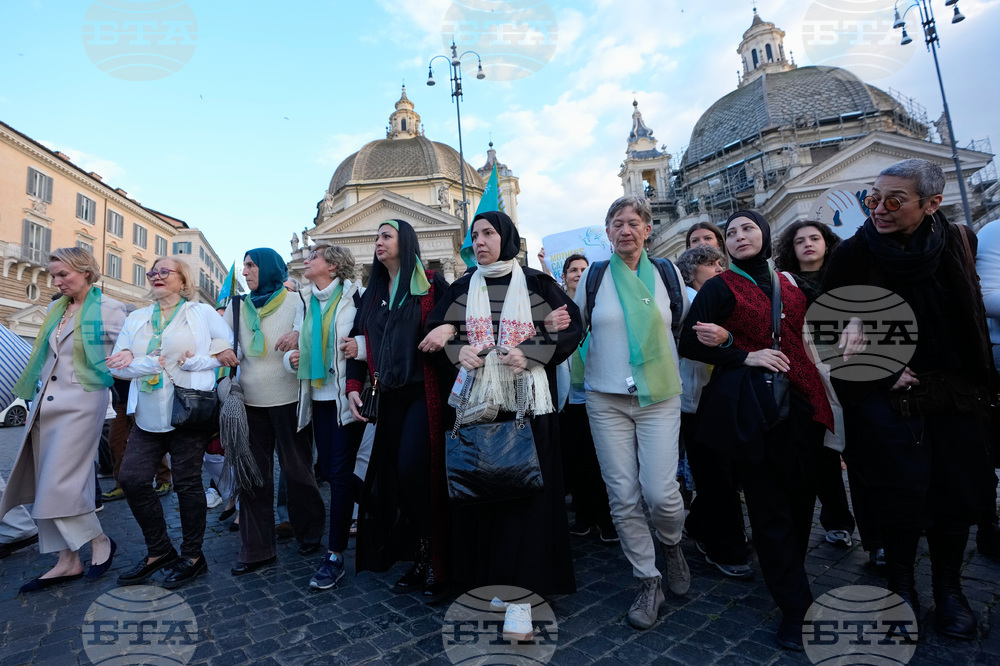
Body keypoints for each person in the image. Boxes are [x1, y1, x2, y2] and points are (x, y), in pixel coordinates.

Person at [822, 159, 998, 639]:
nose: (878, 208)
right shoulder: (853, 254)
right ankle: (900, 589)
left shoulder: (958, 241)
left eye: (893, 201)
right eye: (871, 198)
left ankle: (949, 590)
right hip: (886, 399)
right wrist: (880, 364)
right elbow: (829, 330)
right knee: (899, 498)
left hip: (956, 393)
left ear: (932, 203)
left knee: (954, 498)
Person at [679, 210, 833, 650]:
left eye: (747, 228)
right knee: (769, 509)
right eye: (731, 232)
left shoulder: (790, 282)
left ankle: (790, 572)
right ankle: (795, 606)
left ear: (764, 234)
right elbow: (689, 342)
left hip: (805, 403)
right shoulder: (718, 287)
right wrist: (740, 353)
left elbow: (817, 329)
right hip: (753, 410)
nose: (740, 236)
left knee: (803, 500)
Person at [424, 210, 581, 597]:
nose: (479, 242)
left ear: (506, 238)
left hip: (527, 409)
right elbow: (434, 336)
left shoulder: (536, 283)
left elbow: (571, 326)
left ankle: (525, 593)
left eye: (488, 233)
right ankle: (484, 584)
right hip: (479, 411)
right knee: (482, 502)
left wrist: (531, 353)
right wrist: (457, 347)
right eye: (474, 235)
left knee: (527, 505)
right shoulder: (461, 288)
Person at [573, 196, 691, 630]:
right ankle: (648, 578)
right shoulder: (595, 278)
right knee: (622, 497)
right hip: (605, 399)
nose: (625, 230)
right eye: (617, 223)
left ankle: (673, 542)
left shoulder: (667, 273)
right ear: (608, 233)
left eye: (633, 222)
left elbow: (684, 323)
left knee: (660, 494)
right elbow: (574, 326)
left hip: (659, 395)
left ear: (647, 229)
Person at [0, 247, 126, 592]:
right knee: (45, 481)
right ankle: (66, 561)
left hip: (83, 402)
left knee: (59, 484)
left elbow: (128, 353)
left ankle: (99, 541)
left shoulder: (110, 309)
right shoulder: (57, 308)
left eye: (63, 275)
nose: (56, 281)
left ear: (86, 271)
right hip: (46, 405)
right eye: (53, 275)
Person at [108, 257, 235, 588]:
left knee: (187, 484)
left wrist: (197, 363)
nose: (156, 276)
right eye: (153, 272)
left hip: (188, 413)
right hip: (148, 416)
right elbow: (117, 366)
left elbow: (228, 350)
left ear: (183, 281)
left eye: (165, 272)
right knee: (132, 479)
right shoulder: (136, 318)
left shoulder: (201, 313)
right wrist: (147, 364)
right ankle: (159, 551)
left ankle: (193, 556)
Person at [346, 219, 450, 597]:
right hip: (387, 399)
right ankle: (419, 557)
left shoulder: (432, 285)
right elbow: (358, 343)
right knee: (397, 480)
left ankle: (438, 560)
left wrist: (448, 331)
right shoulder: (372, 295)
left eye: (386, 236)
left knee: (414, 471)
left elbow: (452, 327)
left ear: (404, 242)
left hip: (424, 393)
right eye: (375, 236)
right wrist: (353, 387)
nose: (378, 242)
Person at [226, 248, 321, 575]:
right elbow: (219, 341)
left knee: (298, 471)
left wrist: (301, 340)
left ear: (268, 268)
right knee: (254, 477)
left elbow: (317, 341)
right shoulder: (236, 306)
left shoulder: (299, 303)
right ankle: (256, 549)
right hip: (249, 403)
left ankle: (309, 532)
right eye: (244, 266)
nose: (246, 271)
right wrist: (218, 350)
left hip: (289, 399)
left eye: (252, 265)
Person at [772, 221, 865, 552]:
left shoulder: (846, 276)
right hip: (812, 371)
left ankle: (878, 529)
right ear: (790, 248)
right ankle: (838, 520)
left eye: (815, 238)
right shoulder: (782, 284)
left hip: (854, 367)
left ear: (827, 243)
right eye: (800, 240)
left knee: (863, 450)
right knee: (824, 450)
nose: (808, 244)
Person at [285, 244, 366, 591]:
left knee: (337, 473)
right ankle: (384, 508)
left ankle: (335, 554)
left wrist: (358, 345)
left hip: (345, 398)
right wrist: (289, 358)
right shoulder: (304, 302)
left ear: (332, 266)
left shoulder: (356, 297)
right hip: (316, 398)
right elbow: (295, 346)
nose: (306, 260)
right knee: (335, 473)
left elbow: (370, 336)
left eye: (314, 257)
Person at [675, 245, 755, 579]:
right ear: (691, 273)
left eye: (721, 262)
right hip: (696, 400)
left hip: (718, 398)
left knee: (722, 475)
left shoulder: (720, 298)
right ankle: (726, 546)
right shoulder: (690, 302)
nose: (720, 267)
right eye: (710, 264)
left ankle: (701, 527)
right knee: (715, 476)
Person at [555, 253, 617, 543]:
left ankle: (607, 519)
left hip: (599, 391)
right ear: (565, 276)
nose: (578, 274)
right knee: (575, 458)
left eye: (584, 270)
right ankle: (583, 516)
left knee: (600, 459)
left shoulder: (601, 303)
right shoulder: (556, 309)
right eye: (573, 270)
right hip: (568, 397)